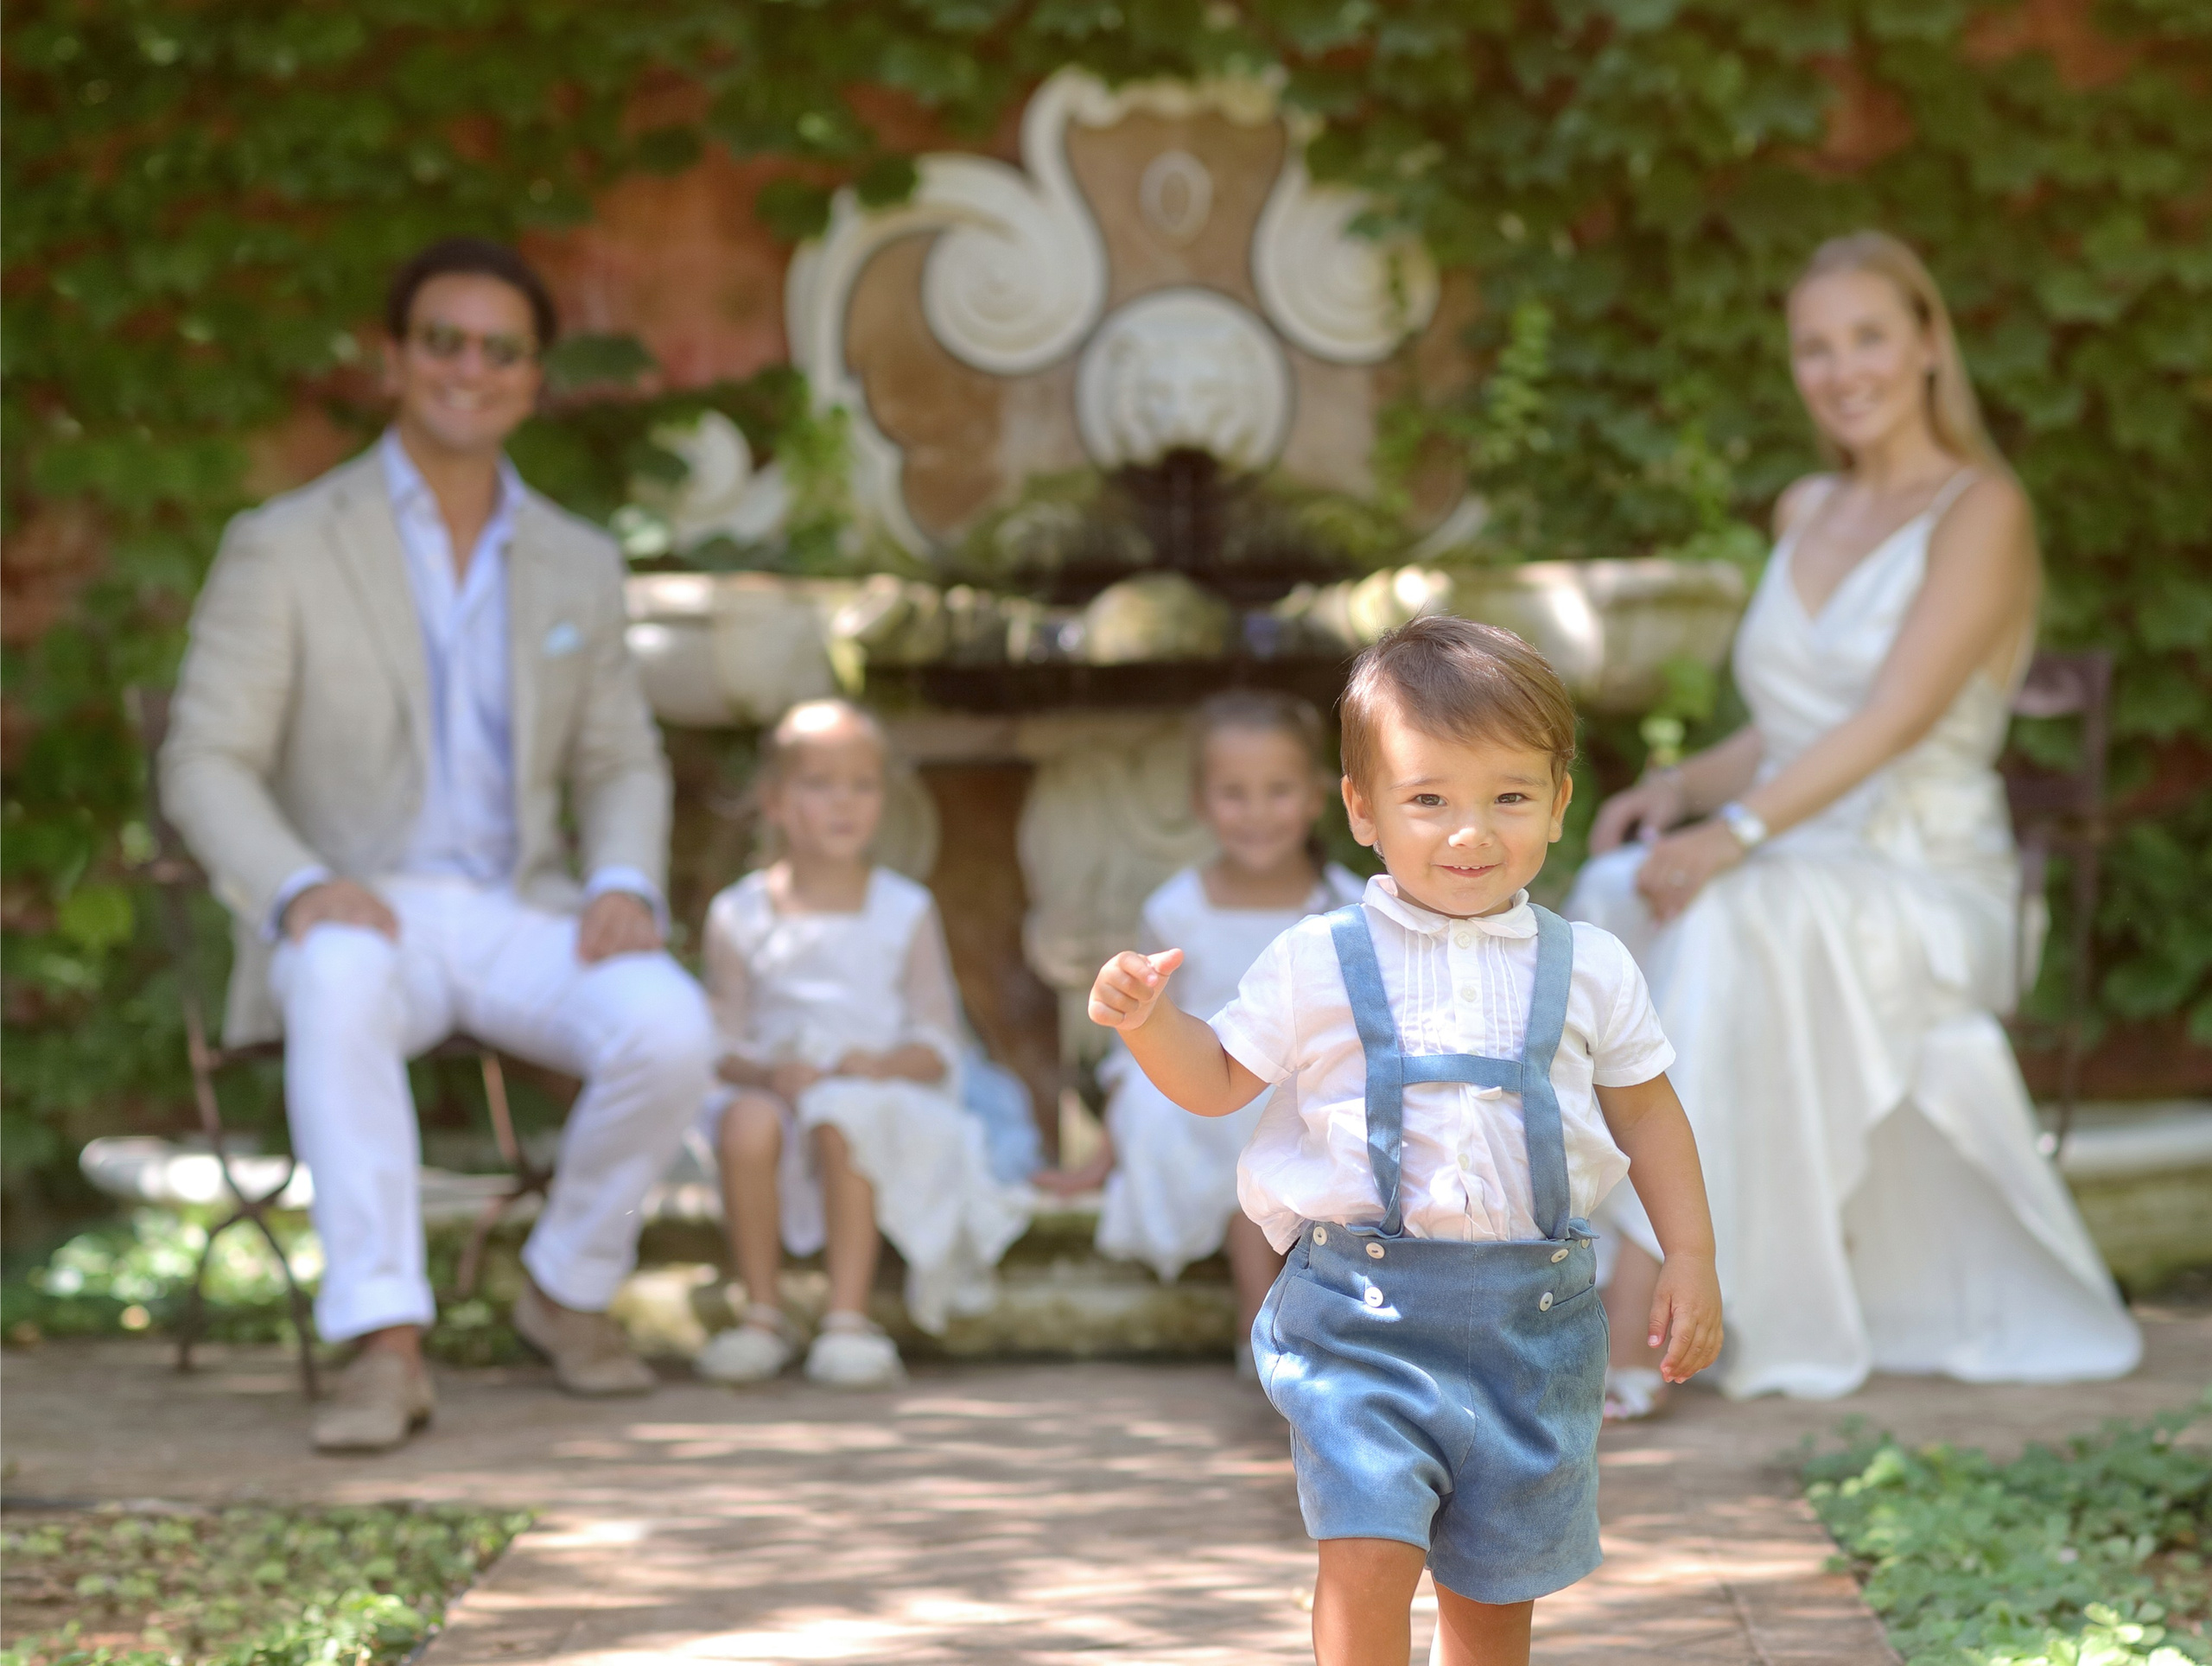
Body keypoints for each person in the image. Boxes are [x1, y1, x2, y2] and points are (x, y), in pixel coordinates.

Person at [1567, 230, 2140, 1413]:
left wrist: (1734, 834)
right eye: (1814, 348)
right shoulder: (1805, 505)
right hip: (1801, 848)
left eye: (1869, 336)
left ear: (1929, 343)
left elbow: (1890, 717)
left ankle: (1639, 1314)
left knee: (1735, 917)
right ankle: (1560, 1268)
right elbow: (1786, 723)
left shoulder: (1983, 511)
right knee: (1614, 897)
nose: (1844, 370)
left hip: (1924, 878)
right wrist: (1682, 790)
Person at [160, 238, 715, 1452]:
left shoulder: (576, 556)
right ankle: (384, 1343)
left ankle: (565, 1293)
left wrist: (624, 878)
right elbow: (204, 760)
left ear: (533, 376)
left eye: (499, 348)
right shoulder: (288, 542)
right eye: (444, 341)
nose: (470, 368)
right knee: (343, 978)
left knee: (672, 1024)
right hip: (360, 910)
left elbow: (621, 760)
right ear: (396, 360)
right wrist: (300, 887)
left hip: (519, 906)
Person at [1089, 618, 1723, 1666]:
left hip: (1530, 1327)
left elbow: (1648, 1111)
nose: (1469, 831)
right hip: (1360, 1318)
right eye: (1428, 799)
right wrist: (1148, 1021)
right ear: (1363, 809)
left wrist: (1689, 1255)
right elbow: (1213, 1082)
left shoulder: (1592, 965)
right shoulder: (1317, 959)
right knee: (1366, 1550)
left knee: (1490, 1597)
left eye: (1508, 797)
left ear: (1560, 803)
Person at [694, 699, 1032, 1389]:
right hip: (779, 1090)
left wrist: (877, 1066)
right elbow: (717, 1039)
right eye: (819, 784)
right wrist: (764, 1072)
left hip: (880, 1092)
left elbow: (938, 1039)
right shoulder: (738, 913)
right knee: (745, 1122)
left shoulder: (904, 909)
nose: (843, 803)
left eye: (863, 784)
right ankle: (761, 1312)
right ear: (776, 802)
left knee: (847, 1113)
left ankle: (846, 1317)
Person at [1039, 690, 1362, 1375]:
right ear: (1200, 800)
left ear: (1315, 798)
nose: (1256, 813)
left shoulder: (1345, 903)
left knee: (1292, 1114)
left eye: (1277, 791)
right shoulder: (1175, 908)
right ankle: (1264, 1321)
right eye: (1234, 793)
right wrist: (1103, 1153)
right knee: (1194, 1115)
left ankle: (1282, 1320)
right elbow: (1148, 1034)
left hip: (1302, 1076)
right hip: (1203, 1077)